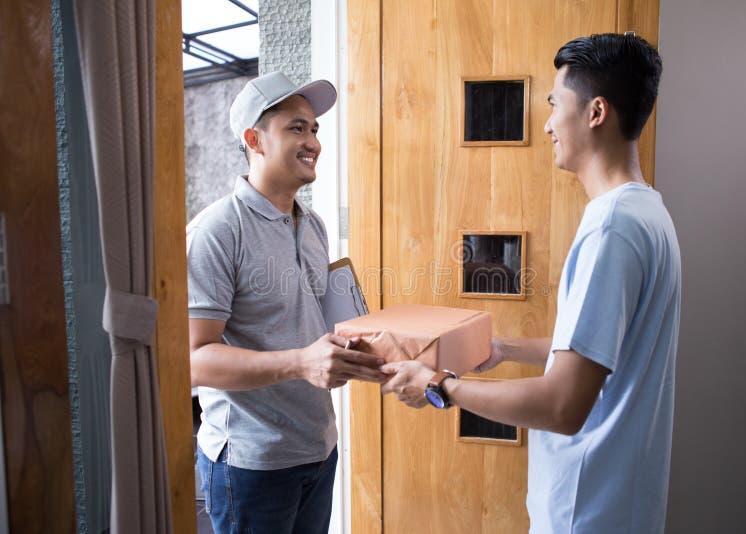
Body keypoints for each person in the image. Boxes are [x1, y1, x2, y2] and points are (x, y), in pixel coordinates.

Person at [381, 33, 680, 534]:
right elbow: (593, 351)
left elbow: (562, 405)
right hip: (622, 499)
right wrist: (503, 348)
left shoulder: (613, 228)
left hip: (588, 509)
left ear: (596, 112)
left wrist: (441, 386)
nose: (546, 124)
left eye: (554, 104)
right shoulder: (647, 211)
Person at [187, 71, 386, 533]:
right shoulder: (217, 231)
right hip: (252, 464)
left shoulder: (312, 225)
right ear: (254, 139)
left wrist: (370, 345)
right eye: (297, 127)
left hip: (318, 448)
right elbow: (193, 360)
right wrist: (301, 363)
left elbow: (329, 322)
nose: (313, 140)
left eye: (314, 129)